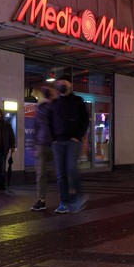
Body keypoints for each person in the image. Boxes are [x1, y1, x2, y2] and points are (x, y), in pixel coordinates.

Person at [48, 80, 89, 213]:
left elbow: (85, 120)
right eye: (58, 83)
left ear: (70, 85)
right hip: (58, 143)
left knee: (72, 169)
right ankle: (63, 203)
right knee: (61, 174)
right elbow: (50, 122)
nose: (60, 85)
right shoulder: (55, 103)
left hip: (72, 141)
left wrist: (77, 136)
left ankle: (80, 196)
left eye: (63, 83)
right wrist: (53, 139)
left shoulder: (78, 100)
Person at [30, 86, 55, 211]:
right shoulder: (41, 108)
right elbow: (37, 126)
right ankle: (41, 199)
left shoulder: (54, 107)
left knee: (44, 173)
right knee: (41, 173)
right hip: (43, 143)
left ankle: (64, 198)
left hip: (51, 144)